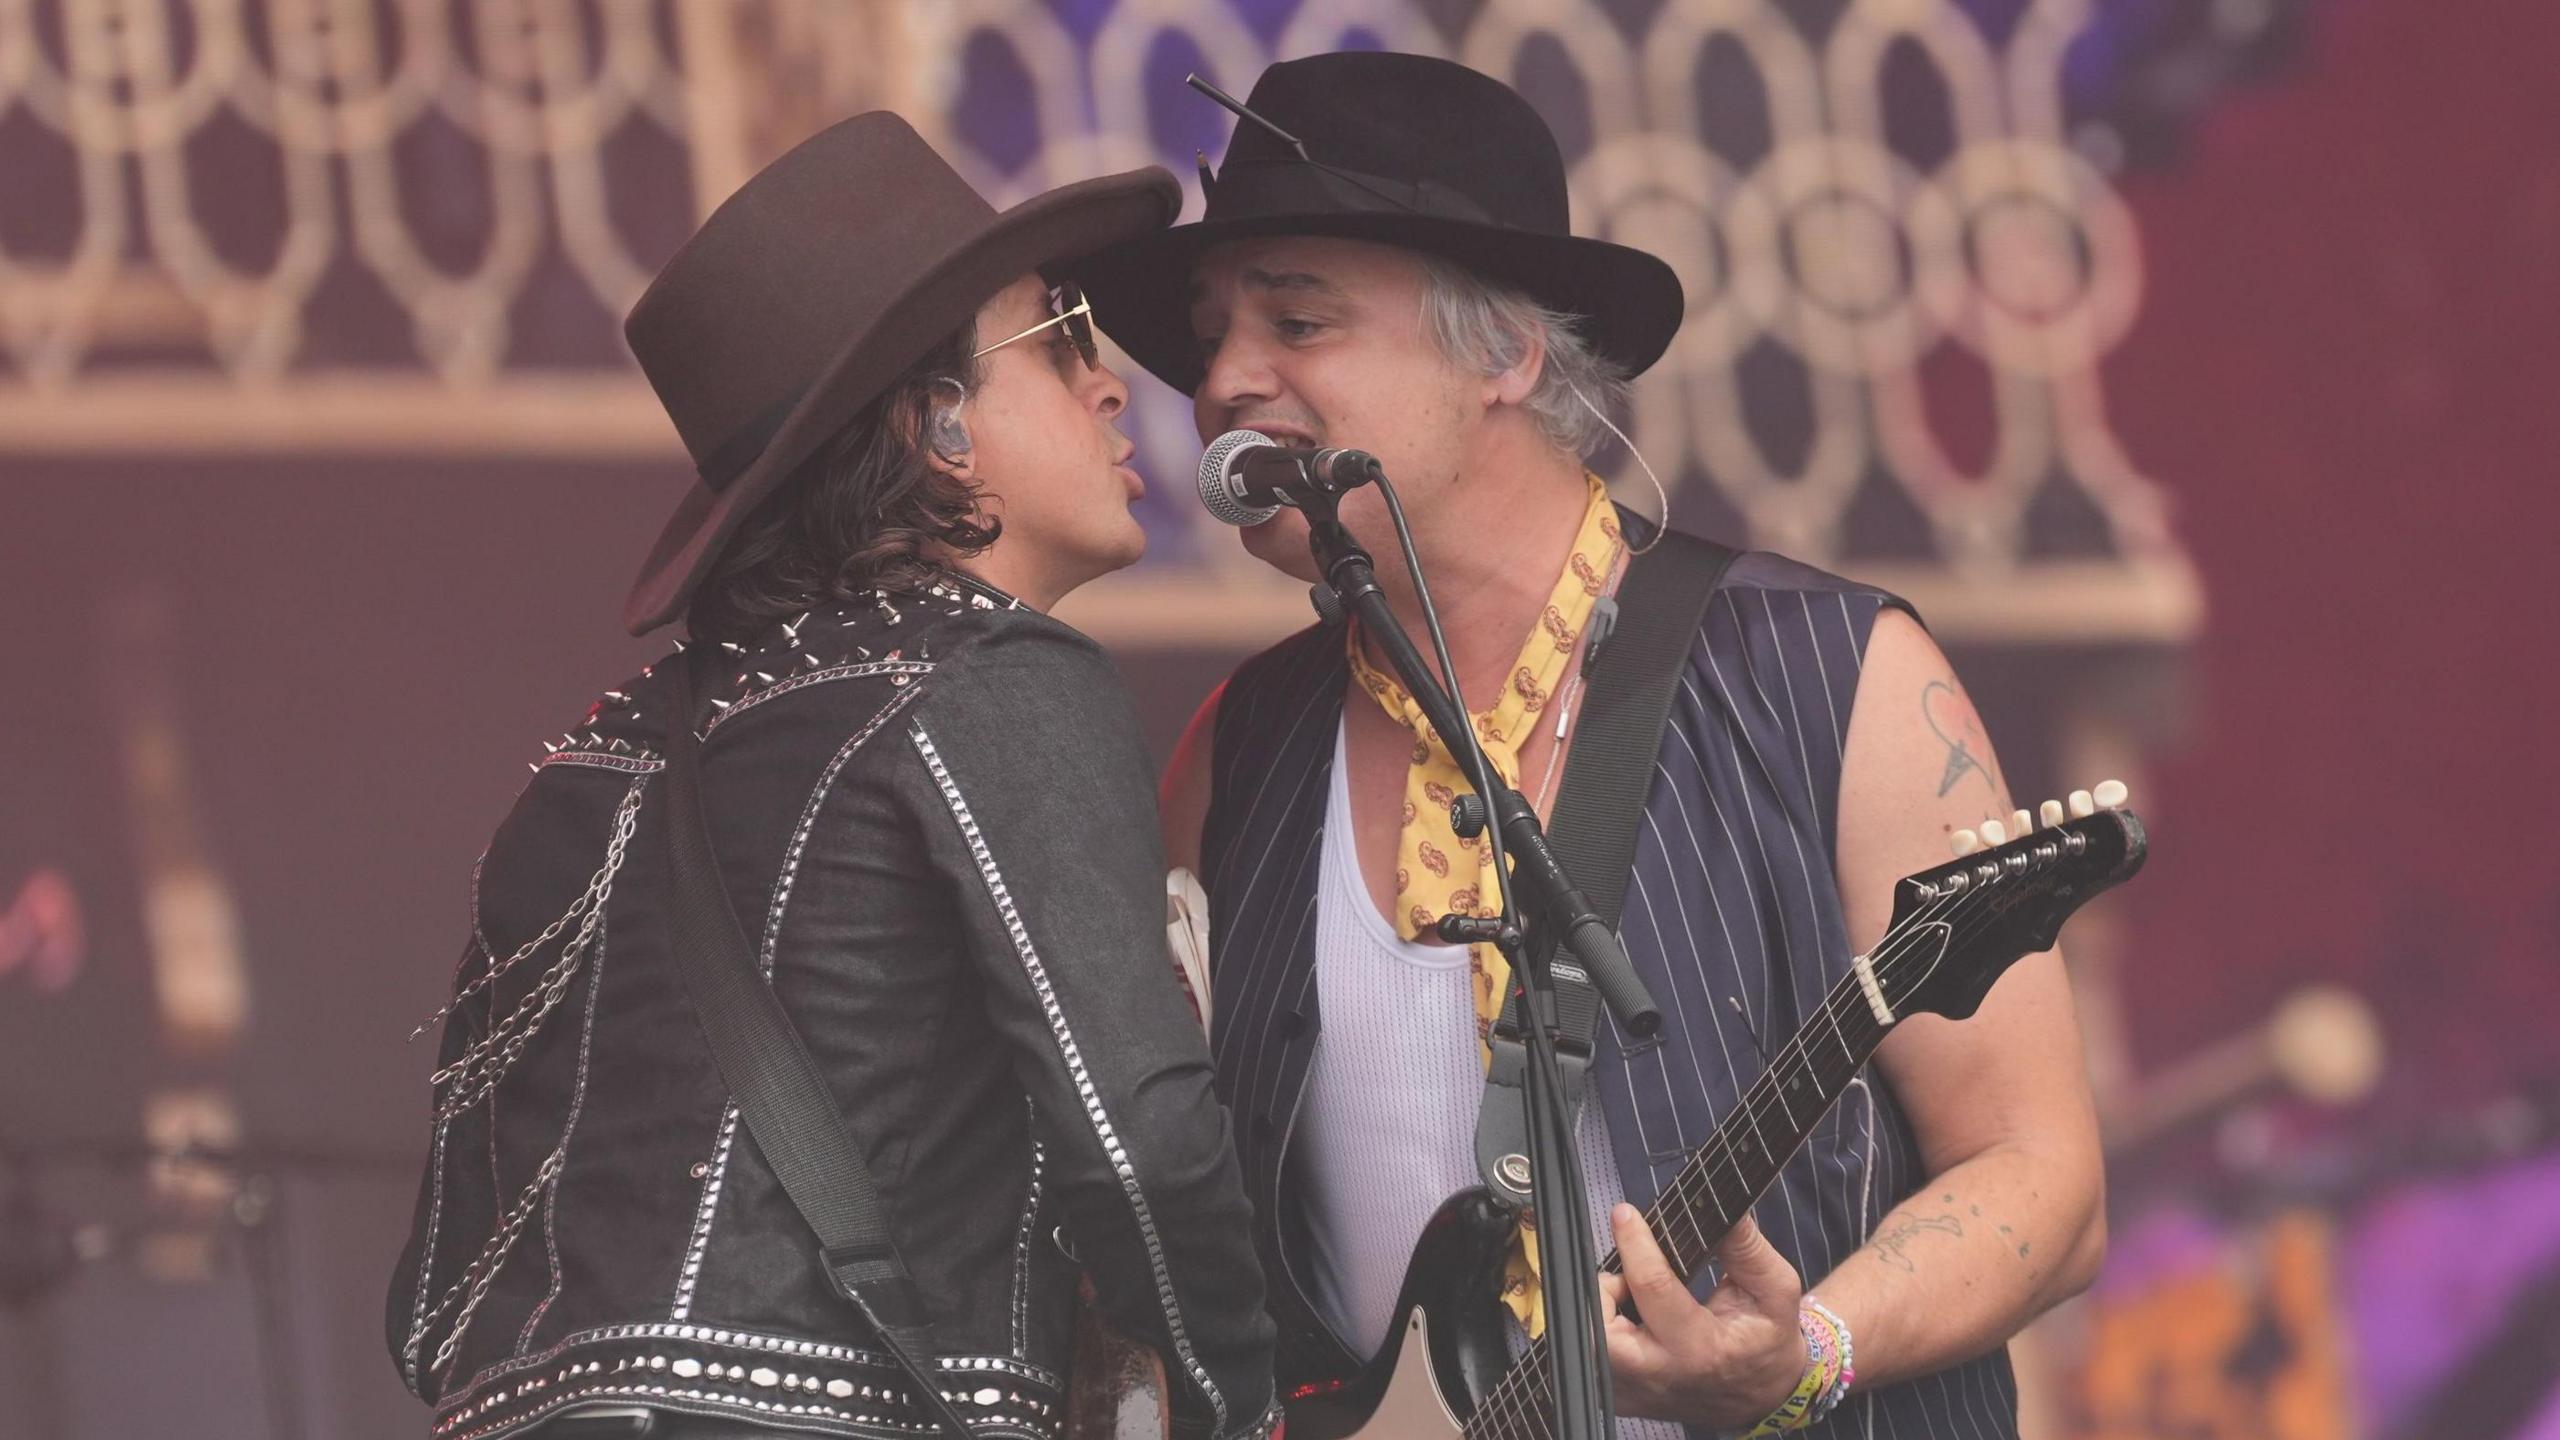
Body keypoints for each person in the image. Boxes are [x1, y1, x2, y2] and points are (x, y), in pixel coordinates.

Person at [1076, 53, 2105, 1438]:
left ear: (1504, 353)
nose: (1221, 382)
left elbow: (2040, 1169)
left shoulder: (1830, 673)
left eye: (1299, 321)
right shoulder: (1237, 754)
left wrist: (1813, 1351)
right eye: (1211, 337)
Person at [387, 113, 1276, 1440]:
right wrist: (1235, 1399)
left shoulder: (576, 772)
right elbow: (1137, 1139)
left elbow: (427, 1307)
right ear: (938, 428)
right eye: (1061, 331)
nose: (1110, 382)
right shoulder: (996, 675)